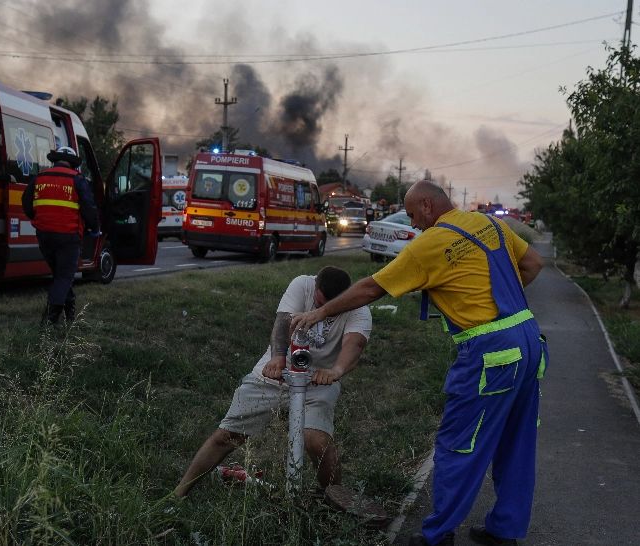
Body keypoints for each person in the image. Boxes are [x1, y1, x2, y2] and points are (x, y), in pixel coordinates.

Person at [290, 181, 546, 546]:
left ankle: (437, 536)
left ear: (427, 205)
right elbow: (533, 264)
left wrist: (320, 313)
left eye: (412, 215)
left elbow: (371, 288)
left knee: (459, 444)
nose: (414, 224)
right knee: (516, 440)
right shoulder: (488, 223)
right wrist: (499, 304)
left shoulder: (430, 244)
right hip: (528, 337)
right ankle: (505, 531)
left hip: (490, 352)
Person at [174, 266, 371, 497]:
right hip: (274, 375)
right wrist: (277, 358)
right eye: (318, 303)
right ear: (315, 285)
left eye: (330, 306)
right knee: (227, 435)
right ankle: (179, 493)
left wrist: (336, 370)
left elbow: (354, 345)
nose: (321, 309)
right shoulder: (302, 284)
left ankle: (334, 500)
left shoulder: (359, 309)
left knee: (317, 441)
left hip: (319, 382)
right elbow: (282, 322)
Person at [22, 146, 99, 325]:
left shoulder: (39, 178)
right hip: (68, 236)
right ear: (73, 164)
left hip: (44, 236)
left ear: (55, 160)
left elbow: (26, 203)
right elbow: (89, 208)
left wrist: (39, 218)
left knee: (60, 275)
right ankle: (49, 321)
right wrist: (94, 228)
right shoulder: (77, 179)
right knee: (64, 276)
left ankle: (70, 314)